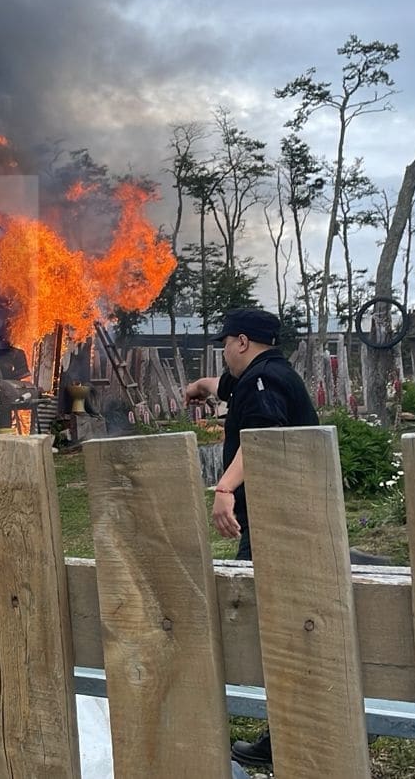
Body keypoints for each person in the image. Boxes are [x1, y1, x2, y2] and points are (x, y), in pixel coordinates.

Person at [183, 308, 317, 771]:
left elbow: (263, 435)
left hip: (280, 525)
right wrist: (202, 387)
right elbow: (231, 389)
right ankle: (288, 734)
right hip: (284, 520)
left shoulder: (261, 383)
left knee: (282, 629)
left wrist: (224, 488)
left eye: (224, 344)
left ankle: (290, 739)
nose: (223, 353)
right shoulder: (268, 374)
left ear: (241, 342)